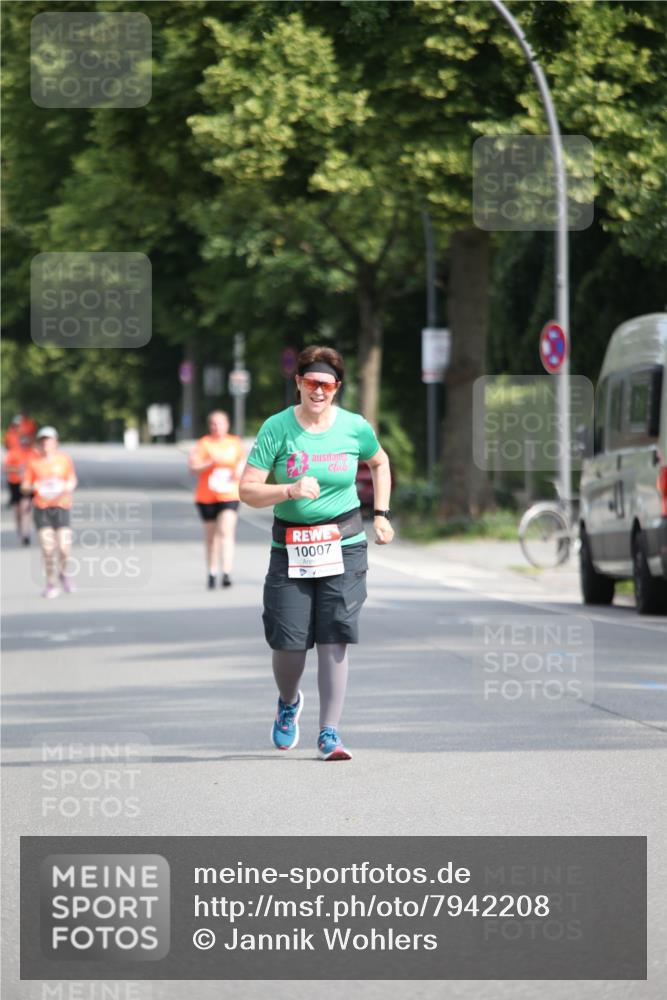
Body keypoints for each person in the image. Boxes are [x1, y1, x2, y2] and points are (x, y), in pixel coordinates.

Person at [239, 345, 394, 761]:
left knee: (334, 638)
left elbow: (379, 462)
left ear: (337, 387)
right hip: (290, 547)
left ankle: (330, 732)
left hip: (343, 545)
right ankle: (289, 702)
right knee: (288, 646)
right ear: (299, 383)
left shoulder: (354, 427)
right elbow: (247, 490)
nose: (318, 390)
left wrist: (380, 514)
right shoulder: (277, 428)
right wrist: (287, 490)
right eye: (311, 382)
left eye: (326, 384)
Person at [189, 410, 245, 589]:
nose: (217, 427)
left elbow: (243, 461)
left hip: (229, 494)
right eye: (213, 423)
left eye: (220, 423)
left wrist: (239, 470)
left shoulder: (234, 443)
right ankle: (212, 571)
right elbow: (194, 468)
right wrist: (210, 463)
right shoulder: (203, 444)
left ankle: (227, 572)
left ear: (227, 425)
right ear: (209, 425)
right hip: (206, 497)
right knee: (211, 537)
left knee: (226, 532)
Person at [21, 426, 77, 599]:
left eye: (49, 439)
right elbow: (24, 486)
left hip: (61, 506)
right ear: (39, 443)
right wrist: (33, 486)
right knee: (47, 548)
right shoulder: (33, 462)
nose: (46, 443)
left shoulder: (64, 460)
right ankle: (51, 583)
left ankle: (63, 573)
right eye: (43, 440)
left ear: (55, 442)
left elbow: (72, 479)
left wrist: (69, 486)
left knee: (64, 547)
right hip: (42, 507)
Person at [3, 434, 34, 544]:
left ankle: (26, 533)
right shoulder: (13, 453)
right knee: (17, 510)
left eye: (27, 440)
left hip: (27, 484)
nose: (25, 442)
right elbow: (5, 468)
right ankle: (20, 530)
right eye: (23, 440)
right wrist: (17, 469)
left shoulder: (33, 453)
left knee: (25, 507)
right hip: (15, 483)